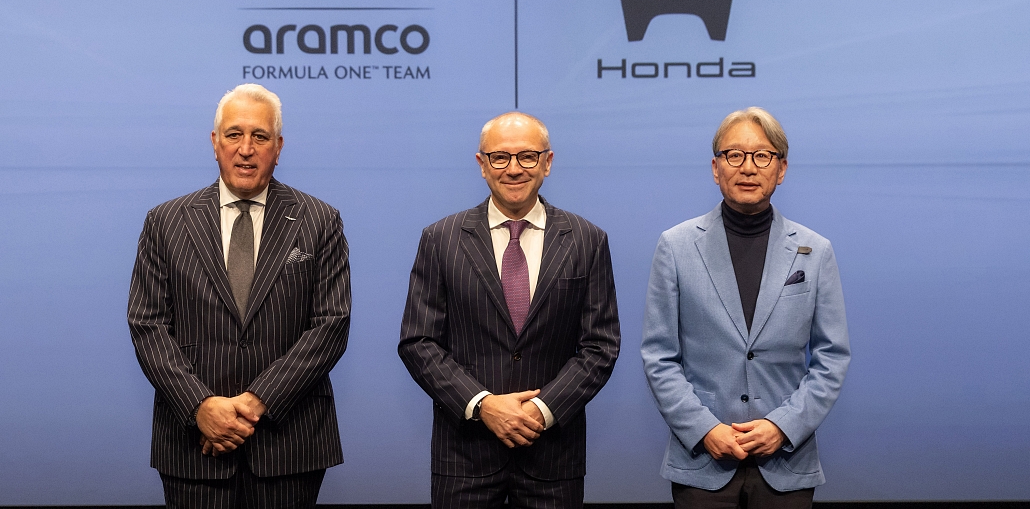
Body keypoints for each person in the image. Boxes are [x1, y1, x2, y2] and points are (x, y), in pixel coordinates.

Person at [128, 84, 350, 508]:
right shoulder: (165, 221)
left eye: (260, 136)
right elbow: (147, 325)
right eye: (234, 134)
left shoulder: (320, 220)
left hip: (289, 444)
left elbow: (331, 326)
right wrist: (200, 406)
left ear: (278, 148)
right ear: (215, 143)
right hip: (195, 444)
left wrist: (256, 401)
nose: (246, 149)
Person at [399, 112, 621, 509]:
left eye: (527, 156)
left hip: (552, 456)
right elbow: (418, 341)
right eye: (500, 157)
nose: (514, 169)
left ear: (547, 162)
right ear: (482, 164)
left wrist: (541, 410)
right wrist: (483, 404)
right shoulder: (440, 239)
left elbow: (600, 346)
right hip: (464, 457)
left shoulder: (587, 240)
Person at [641, 107, 850, 509]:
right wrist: (705, 429)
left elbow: (832, 358)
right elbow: (659, 356)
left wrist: (782, 426)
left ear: (781, 168)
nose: (748, 167)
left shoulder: (815, 250)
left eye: (762, 156)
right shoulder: (676, 246)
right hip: (702, 462)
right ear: (715, 168)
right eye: (734, 155)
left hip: (786, 463)